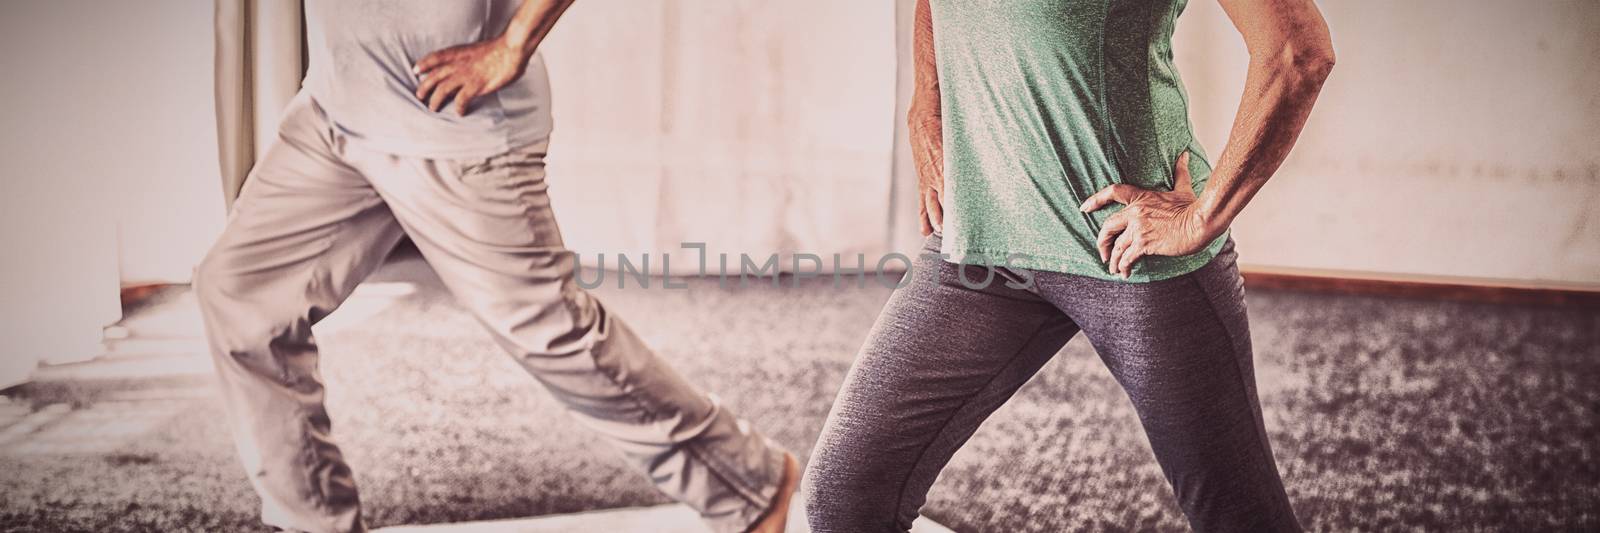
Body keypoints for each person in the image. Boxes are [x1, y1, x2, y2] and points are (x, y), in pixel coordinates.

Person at [193, 1, 797, 532]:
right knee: (239, 295)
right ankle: (314, 523)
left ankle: (749, 486)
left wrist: (513, 44)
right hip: (335, 113)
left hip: (460, 128)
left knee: (557, 337)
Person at [803, 0, 1333, 531]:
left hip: (1131, 255)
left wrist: (1201, 218)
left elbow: (1297, 51)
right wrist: (927, 100)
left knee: (1238, 515)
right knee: (843, 496)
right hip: (981, 242)